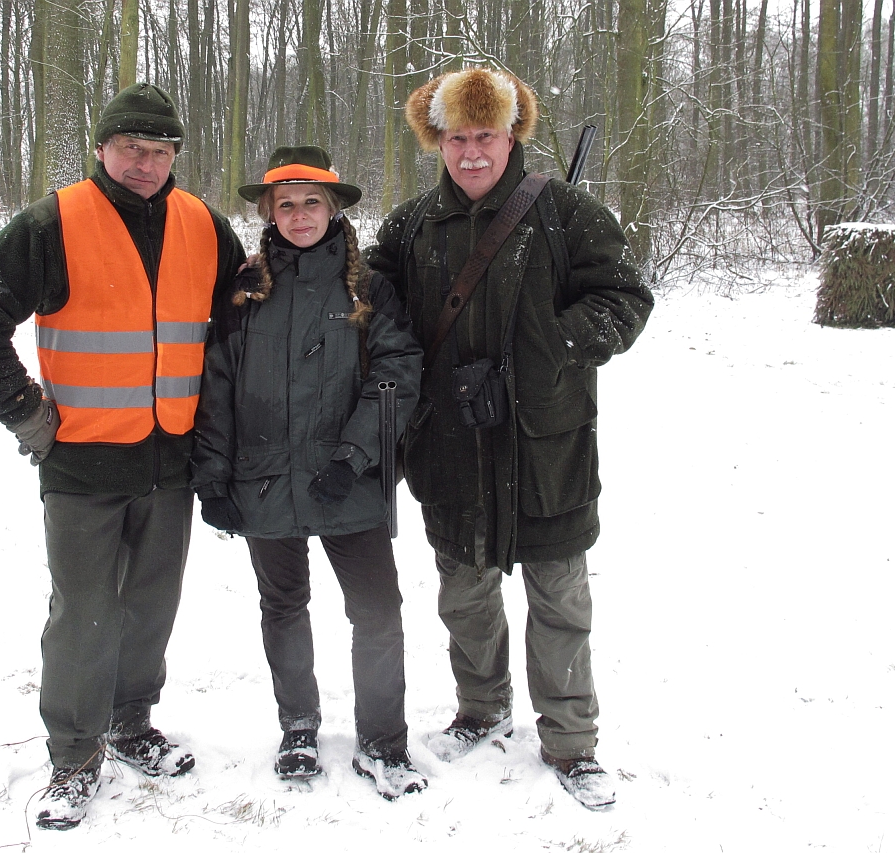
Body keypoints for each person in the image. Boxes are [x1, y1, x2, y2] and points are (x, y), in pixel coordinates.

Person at [0, 83, 244, 830]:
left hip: (170, 461)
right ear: (102, 149)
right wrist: (26, 413)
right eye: (130, 148)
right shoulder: (54, 223)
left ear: (175, 155)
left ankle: (131, 723)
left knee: (152, 603)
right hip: (81, 463)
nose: (144, 163)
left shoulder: (204, 225)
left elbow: (241, 328)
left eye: (159, 150)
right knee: (84, 613)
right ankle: (75, 757)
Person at [365, 67, 653, 810]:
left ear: (510, 135)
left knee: (559, 600)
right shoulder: (410, 226)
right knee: (465, 595)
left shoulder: (568, 214)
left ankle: (571, 742)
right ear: (438, 141)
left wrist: (549, 348)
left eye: (485, 136)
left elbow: (625, 298)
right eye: (457, 137)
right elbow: (372, 305)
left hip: (546, 447)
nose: (471, 152)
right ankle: (482, 708)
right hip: (451, 445)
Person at [189, 146, 425, 800]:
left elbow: (397, 373)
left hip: (350, 481)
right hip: (263, 481)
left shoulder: (369, 289)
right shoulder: (243, 290)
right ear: (269, 211)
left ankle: (384, 741)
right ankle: (298, 727)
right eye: (285, 204)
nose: (299, 216)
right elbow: (217, 386)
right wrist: (213, 477)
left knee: (377, 612)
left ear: (335, 209)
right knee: (283, 606)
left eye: (311, 203)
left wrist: (355, 455)